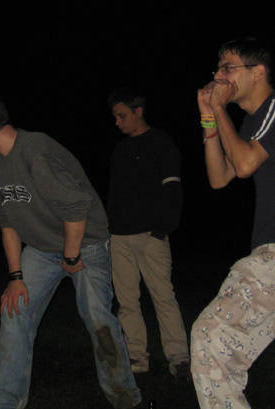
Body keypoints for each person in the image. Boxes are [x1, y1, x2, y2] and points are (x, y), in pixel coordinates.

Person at [0, 93, 142, 409]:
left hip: (85, 244)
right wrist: (15, 277)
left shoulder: (36, 152)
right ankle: (5, 399)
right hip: (42, 249)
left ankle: (124, 396)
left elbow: (76, 208)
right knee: (14, 309)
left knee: (98, 319)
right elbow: (7, 222)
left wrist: (71, 256)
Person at [191, 37, 275, 409]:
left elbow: (243, 165)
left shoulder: (273, 109)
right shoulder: (253, 122)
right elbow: (219, 177)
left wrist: (219, 107)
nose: (218, 76)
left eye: (228, 68)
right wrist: (210, 117)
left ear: (258, 72)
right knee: (217, 345)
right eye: (218, 69)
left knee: (212, 337)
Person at [106, 88, 190, 379]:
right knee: (127, 301)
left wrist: (162, 228)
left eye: (122, 116)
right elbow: (114, 193)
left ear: (138, 111)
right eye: (115, 117)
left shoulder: (161, 142)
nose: (117, 122)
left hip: (151, 235)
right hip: (119, 236)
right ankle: (136, 357)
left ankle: (179, 358)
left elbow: (173, 188)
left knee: (163, 297)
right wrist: (109, 230)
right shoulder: (120, 149)